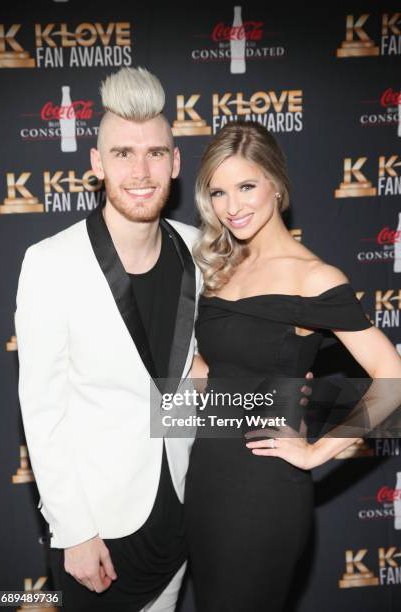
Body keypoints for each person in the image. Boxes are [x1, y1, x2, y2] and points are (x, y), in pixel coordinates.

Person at [185, 120, 401, 612]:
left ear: (276, 185)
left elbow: (393, 380)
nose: (232, 206)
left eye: (245, 186)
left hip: (266, 492)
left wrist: (313, 453)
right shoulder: (219, 270)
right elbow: (212, 378)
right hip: (206, 481)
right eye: (218, 192)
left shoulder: (314, 277)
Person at [15, 67, 201, 612]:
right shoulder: (51, 263)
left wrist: (301, 410)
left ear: (176, 162)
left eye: (155, 153)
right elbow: (43, 410)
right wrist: (73, 531)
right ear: (96, 164)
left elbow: (192, 385)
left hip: (181, 514)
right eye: (122, 154)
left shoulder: (200, 251)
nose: (141, 171)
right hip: (99, 533)